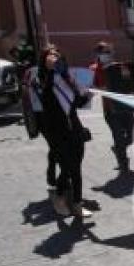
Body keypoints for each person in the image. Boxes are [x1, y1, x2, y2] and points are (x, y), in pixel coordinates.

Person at [35, 46, 93, 218]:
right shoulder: (44, 81)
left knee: (76, 167)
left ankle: (76, 204)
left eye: (57, 56)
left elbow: (78, 103)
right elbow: (46, 86)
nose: (54, 58)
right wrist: (51, 68)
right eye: (50, 56)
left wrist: (87, 95)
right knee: (68, 166)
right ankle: (61, 197)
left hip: (75, 128)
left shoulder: (69, 81)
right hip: (56, 132)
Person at [91, 41, 134, 172]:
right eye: (106, 52)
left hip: (125, 107)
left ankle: (118, 149)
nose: (109, 54)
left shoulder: (118, 66)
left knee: (133, 133)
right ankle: (123, 162)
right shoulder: (93, 69)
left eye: (110, 51)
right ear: (99, 54)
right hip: (110, 109)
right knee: (119, 136)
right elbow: (91, 86)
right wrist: (102, 88)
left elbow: (130, 82)